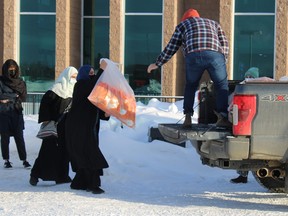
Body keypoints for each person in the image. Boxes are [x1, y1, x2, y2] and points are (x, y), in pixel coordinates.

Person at [147, 8, 230, 128]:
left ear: (185, 19)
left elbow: (171, 47)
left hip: (194, 55)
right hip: (215, 55)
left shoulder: (183, 25)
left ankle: (188, 117)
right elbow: (224, 43)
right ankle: (222, 116)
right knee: (221, 84)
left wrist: (157, 63)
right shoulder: (213, 23)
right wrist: (223, 59)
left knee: (191, 85)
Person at [65, 60, 110, 194]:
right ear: (84, 75)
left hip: (88, 128)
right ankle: (93, 185)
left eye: (93, 73)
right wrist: (102, 71)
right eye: (90, 73)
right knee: (91, 156)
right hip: (78, 128)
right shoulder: (81, 85)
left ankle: (79, 182)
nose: (92, 75)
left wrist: (105, 114)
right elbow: (94, 86)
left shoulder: (89, 89)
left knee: (86, 155)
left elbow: (94, 107)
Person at [29, 66, 78, 186]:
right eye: (72, 77)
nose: (73, 79)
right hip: (54, 127)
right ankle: (35, 174)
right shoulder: (55, 90)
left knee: (64, 152)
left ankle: (62, 176)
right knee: (47, 151)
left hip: (66, 128)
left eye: (75, 77)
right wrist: (47, 120)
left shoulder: (75, 91)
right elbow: (45, 106)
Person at [230, 67, 259, 184]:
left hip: (251, 124)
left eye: (251, 77)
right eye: (247, 76)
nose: (248, 78)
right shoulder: (242, 88)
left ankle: (244, 175)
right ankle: (243, 175)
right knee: (243, 153)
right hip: (243, 123)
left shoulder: (257, 89)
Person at [0, 59, 31, 169]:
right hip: (4, 113)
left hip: (17, 111)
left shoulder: (20, 82)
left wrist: (8, 97)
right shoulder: (1, 81)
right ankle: (6, 160)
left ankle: (24, 159)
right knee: (5, 137)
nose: (12, 72)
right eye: (9, 70)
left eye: (13, 70)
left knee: (19, 137)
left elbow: (23, 97)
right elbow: (1, 96)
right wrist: (14, 96)